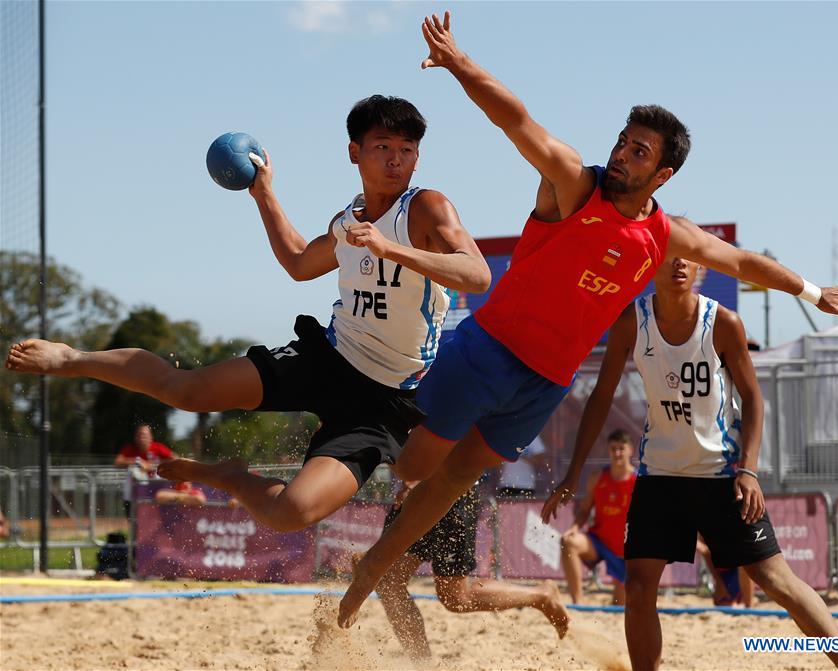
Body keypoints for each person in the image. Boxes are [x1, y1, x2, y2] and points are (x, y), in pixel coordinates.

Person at [337, 12, 838, 627]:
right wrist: (459, 63)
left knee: (455, 480)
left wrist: (814, 290)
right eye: (622, 140)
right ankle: (353, 506)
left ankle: (369, 573)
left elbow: (743, 260)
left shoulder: (667, 234)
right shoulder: (574, 183)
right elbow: (515, 119)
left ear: (661, 173)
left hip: (545, 383)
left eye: (637, 151)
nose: (620, 153)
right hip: (490, 348)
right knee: (410, 467)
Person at [5, 95, 489, 535]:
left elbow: (477, 274)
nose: (396, 159)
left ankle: (230, 477)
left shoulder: (426, 207)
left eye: (407, 149)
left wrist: (390, 249)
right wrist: (264, 194)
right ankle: (70, 358)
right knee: (186, 391)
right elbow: (299, 262)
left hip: (382, 401)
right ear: (354, 152)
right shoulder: (348, 221)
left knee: (291, 514)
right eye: (383, 147)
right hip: (327, 357)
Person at [542, 256, 838, 670]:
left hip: (720, 474)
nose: (678, 263)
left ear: (701, 269)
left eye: (688, 257)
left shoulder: (723, 322)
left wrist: (749, 470)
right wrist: (572, 473)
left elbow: (753, 399)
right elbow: (601, 397)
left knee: (775, 580)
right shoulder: (631, 322)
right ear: (650, 267)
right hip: (660, 476)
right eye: (668, 256)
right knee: (638, 590)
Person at [375, 479, 569, 661]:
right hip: (429, 490)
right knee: (389, 582)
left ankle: (541, 596)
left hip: (447, 489)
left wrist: (416, 477)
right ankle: (421, 665)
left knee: (455, 597)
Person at [559, 429, 635, 605]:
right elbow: (585, 510)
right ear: (608, 450)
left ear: (630, 450)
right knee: (568, 541)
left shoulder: (638, 481)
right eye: (613, 448)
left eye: (621, 448)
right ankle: (577, 603)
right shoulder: (598, 477)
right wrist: (574, 528)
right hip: (599, 542)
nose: (617, 453)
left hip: (626, 551)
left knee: (620, 605)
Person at [115, 423, 175, 518]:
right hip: (137, 495)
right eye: (139, 435)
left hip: (157, 491)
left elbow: (175, 459)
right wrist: (138, 461)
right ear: (135, 438)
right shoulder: (130, 449)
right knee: (132, 472)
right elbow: (118, 462)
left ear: (151, 437)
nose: (142, 438)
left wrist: (155, 466)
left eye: (145, 435)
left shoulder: (158, 448)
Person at [495, 434, 547, 499]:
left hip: (526, 485)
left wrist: (519, 454)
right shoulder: (504, 434)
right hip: (506, 484)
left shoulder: (532, 434)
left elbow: (540, 460)